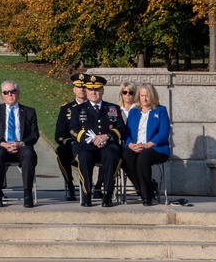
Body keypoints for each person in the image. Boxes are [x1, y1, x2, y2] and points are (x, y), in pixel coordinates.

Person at [68, 74, 125, 207]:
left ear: (102, 91)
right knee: (84, 156)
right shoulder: (77, 109)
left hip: (108, 145)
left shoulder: (113, 108)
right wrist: (91, 138)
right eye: (91, 89)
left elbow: (121, 129)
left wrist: (107, 136)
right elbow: (73, 130)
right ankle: (87, 193)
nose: (94, 92)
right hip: (86, 146)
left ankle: (108, 194)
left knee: (112, 156)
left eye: (97, 89)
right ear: (86, 90)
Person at [0, 81, 38, 208]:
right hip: (1, 146)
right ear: (2, 95)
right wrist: (3, 144)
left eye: (12, 91)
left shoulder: (29, 112)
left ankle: (27, 194)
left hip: (21, 146)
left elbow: (34, 135)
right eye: (6, 92)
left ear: (18, 93)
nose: (10, 94)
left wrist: (20, 144)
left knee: (29, 153)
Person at [122, 82, 171, 206]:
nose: (144, 99)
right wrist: (130, 144)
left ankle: (146, 196)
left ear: (153, 96)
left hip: (156, 148)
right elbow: (126, 132)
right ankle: (147, 188)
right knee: (126, 156)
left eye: (147, 96)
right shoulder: (134, 112)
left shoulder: (161, 110)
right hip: (136, 146)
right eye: (142, 95)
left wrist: (148, 145)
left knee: (143, 158)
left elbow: (164, 132)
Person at [54, 72, 89, 201]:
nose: (82, 89)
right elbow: (59, 135)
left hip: (90, 145)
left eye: (84, 86)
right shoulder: (66, 109)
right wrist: (72, 142)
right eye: (78, 87)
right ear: (74, 89)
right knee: (61, 151)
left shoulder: (94, 108)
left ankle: (95, 187)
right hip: (72, 145)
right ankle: (69, 185)